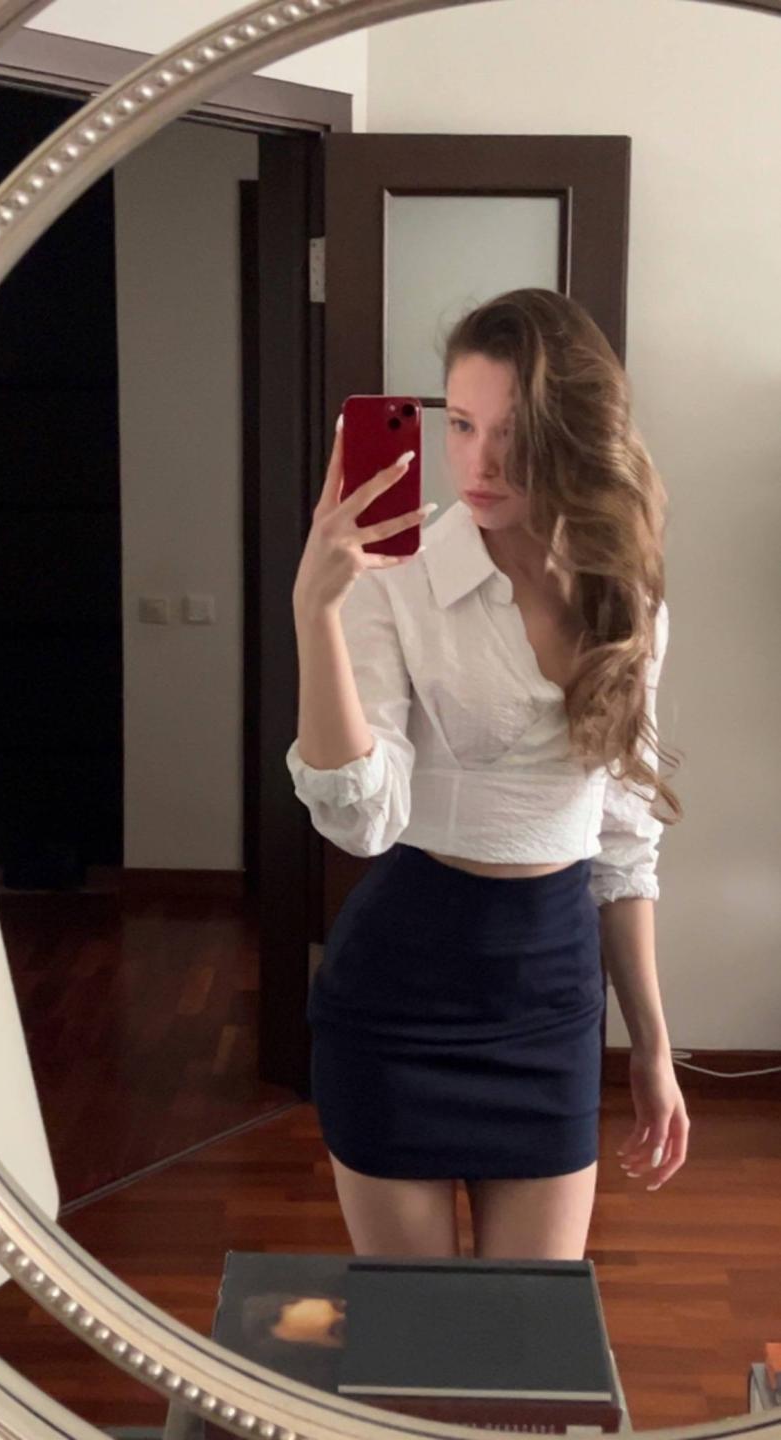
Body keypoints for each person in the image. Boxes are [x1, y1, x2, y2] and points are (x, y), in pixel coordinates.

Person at [286, 288, 690, 1263]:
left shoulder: (627, 597)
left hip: (551, 1004)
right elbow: (361, 822)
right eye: (462, 425)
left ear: (578, 432)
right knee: (412, 1332)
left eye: (513, 431)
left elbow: (623, 844)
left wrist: (652, 1047)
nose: (479, 462)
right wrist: (316, 615)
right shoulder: (396, 578)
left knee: (526, 1341)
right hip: (398, 1003)